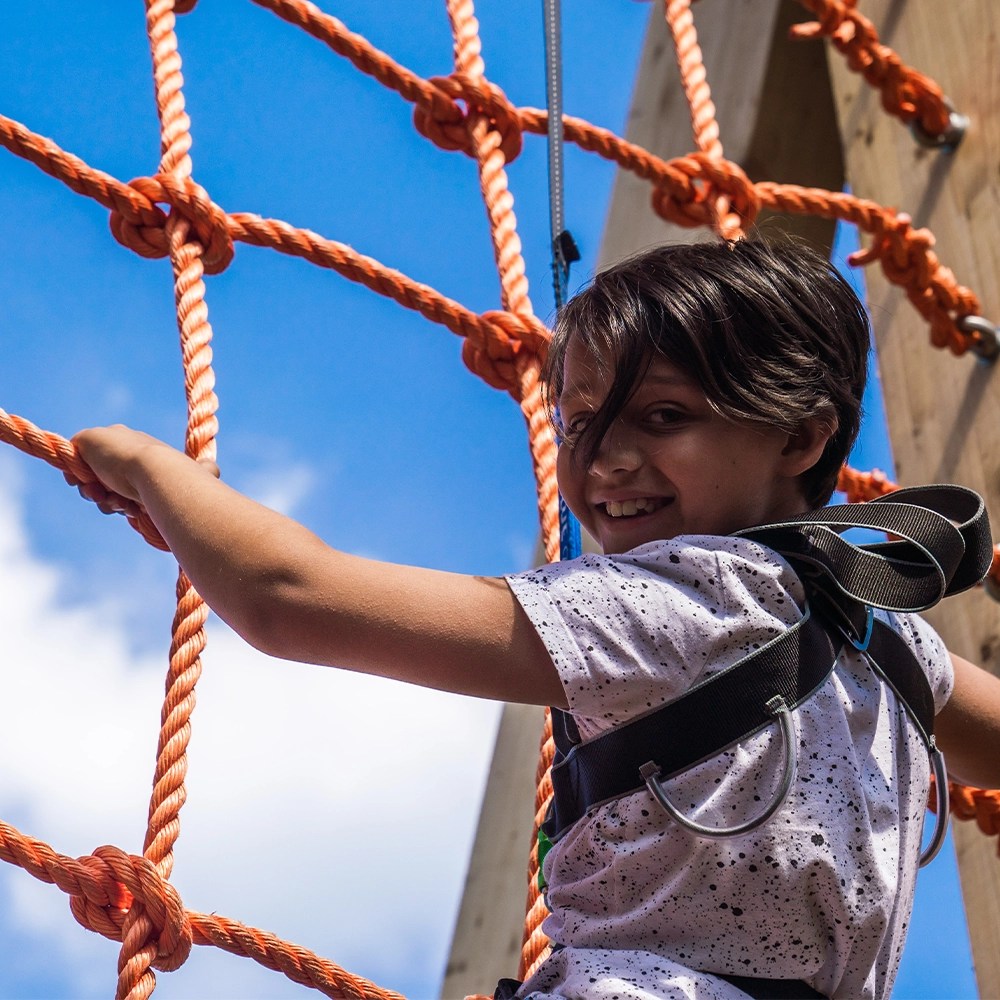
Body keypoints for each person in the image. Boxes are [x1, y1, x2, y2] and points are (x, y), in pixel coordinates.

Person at [68, 237, 1000, 1000]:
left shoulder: (672, 602)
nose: (607, 459)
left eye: (663, 416)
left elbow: (290, 597)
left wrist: (151, 465)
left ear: (800, 435)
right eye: (580, 424)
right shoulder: (888, 636)